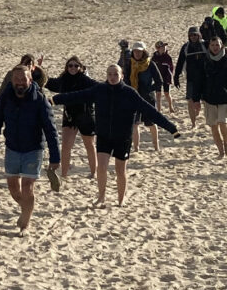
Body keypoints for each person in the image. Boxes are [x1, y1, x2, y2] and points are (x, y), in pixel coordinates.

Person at [51, 64, 178, 207]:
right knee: (102, 168)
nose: (112, 77)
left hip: (122, 138)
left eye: (115, 74)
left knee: (120, 170)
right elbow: (78, 96)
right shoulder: (100, 89)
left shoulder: (129, 93)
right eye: (109, 74)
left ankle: (121, 198)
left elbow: (150, 111)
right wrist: (56, 99)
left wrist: (171, 127)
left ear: (122, 75)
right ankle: (101, 197)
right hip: (104, 136)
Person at [0, 64, 61, 232]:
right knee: (13, 189)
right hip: (12, 148)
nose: (20, 82)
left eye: (23, 79)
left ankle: (25, 220)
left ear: (30, 80)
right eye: (16, 79)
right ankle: (27, 208)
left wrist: (55, 158)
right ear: (12, 80)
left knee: (27, 186)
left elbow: (51, 130)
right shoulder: (6, 98)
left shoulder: (39, 100)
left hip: (34, 149)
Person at [44, 56, 96, 179]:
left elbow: (99, 88)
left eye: (76, 66)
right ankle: (64, 175)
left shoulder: (85, 80)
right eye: (70, 65)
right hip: (69, 116)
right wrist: (39, 69)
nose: (73, 68)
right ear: (67, 67)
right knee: (66, 146)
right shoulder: (63, 79)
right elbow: (48, 82)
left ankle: (94, 173)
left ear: (81, 68)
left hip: (86, 116)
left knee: (90, 145)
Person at [199, 36, 227, 158]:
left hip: (225, 97)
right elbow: (200, 80)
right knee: (213, 126)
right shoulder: (205, 60)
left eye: (217, 45)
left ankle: (226, 142)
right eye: (212, 45)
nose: (215, 47)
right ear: (209, 46)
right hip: (209, 98)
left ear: (221, 45)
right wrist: (197, 98)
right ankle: (221, 151)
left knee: (223, 122)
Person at [124, 42, 164, 152]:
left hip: (148, 99)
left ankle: (156, 147)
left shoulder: (150, 64)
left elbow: (159, 81)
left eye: (139, 51)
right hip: (133, 98)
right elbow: (126, 81)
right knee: (135, 124)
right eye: (135, 51)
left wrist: (148, 90)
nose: (137, 53)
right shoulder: (129, 64)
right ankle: (136, 149)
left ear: (144, 52)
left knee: (151, 123)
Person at [173, 27, 208, 129]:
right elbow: (180, 62)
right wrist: (176, 76)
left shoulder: (205, 45)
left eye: (195, 35)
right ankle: (193, 123)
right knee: (190, 101)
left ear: (199, 35)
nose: (193, 37)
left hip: (205, 78)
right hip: (191, 78)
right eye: (191, 35)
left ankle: (208, 120)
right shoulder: (186, 47)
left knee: (206, 101)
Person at [150, 41, 175, 114]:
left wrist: (169, 79)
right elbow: (151, 68)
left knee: (167, 93)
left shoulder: (168, 57)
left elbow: (171, 69)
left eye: (164, 47)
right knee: (158, 94)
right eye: (162, 47)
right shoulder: (154, 57)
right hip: (158, 78)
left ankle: (170, 106)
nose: (164, 48)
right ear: (157, 48)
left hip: (166, 77)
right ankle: (159, 110)